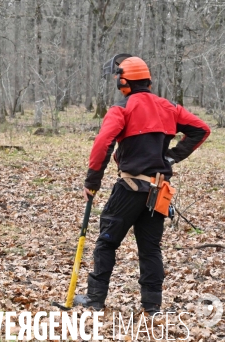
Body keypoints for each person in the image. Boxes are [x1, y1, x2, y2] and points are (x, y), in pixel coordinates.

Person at [76, 54, 210, 314]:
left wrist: (92, 181)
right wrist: (170, 156)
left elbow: (103, 143)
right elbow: (201, 129)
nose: (116, 81)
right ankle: (152, 306)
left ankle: (95, 300)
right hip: (158, 190)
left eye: (118, 77)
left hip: (129, 189)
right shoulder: (168, 107)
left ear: (125, 81)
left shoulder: (122, 108)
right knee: (150, 249)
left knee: (106, 243)